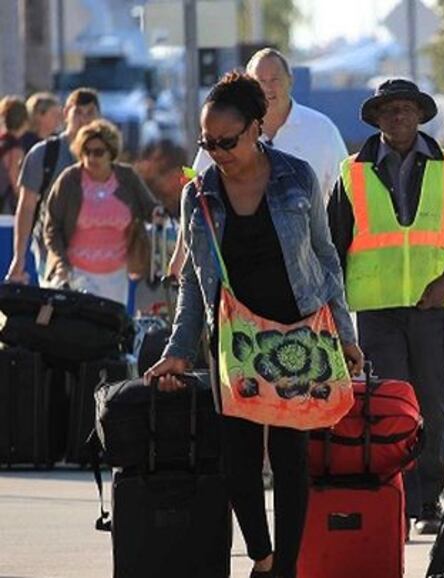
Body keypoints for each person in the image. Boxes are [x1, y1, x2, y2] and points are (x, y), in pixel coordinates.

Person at [145, 72, 363, 578]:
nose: (216, 151)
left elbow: (327, 261)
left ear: (256, 127)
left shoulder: (297, 177)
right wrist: (179, 348)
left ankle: (284, 570)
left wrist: (346, 337)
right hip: (235, 342)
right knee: (239, 469)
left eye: (227, 140)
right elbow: (195, 286)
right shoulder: (199, 195)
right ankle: (262, 557)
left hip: (299, 337)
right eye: (206, 142)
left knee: (290, 463)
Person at [328, 78, 444, 534]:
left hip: (431, 309)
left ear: (420, 115)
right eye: (388, 110)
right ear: (376, 119)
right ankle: (398, 499)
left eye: (405, 109)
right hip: (375, 312)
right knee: (388, 407)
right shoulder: (351, 173)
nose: (397, 116)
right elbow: (332, 247)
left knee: (431, 404)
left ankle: (428, 502)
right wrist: (332, 314)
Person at [193, 47, 347, 202]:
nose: (268, 88)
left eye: (275, 79)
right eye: (260, 81)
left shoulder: (322, 130)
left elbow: (346, 193)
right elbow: (198, 187)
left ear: (290, 80)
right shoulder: (226, 131)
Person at [42, 119, 162, 306]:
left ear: (111, 153)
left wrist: (159, 213)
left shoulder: (127, 178)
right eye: (86, 152)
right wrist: (61, 264)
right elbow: (52, 227)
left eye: (98, 152)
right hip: (76, 273)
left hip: (116, 275)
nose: (91, 158)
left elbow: (149, 208)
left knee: (111, 331)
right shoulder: (70, 180)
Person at [5, 87, 100, 285]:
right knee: (58, 309)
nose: (84, 120)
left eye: (90, 113)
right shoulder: (44, 154)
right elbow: (27, 207)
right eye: (78, 113)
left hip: (99, 256)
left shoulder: (108, 158)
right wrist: (19, 258)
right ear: (65, 114)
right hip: (52, 253)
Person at [0, 97, 29, 214]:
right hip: (4, 200)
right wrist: (23, 199)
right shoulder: (15, 148)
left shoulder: (3, 141)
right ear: (25, 122)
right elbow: (14, 176)